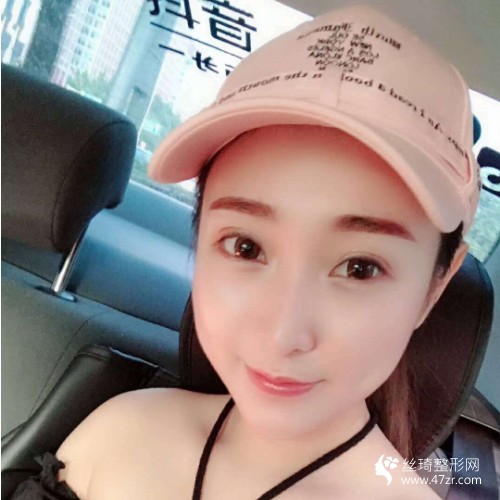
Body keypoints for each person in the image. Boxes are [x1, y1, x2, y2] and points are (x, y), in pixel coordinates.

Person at [11, 4, 481, 499]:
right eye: (246, 247)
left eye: (360, 268)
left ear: (434, 288)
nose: (283, 335)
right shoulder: (120, 434)